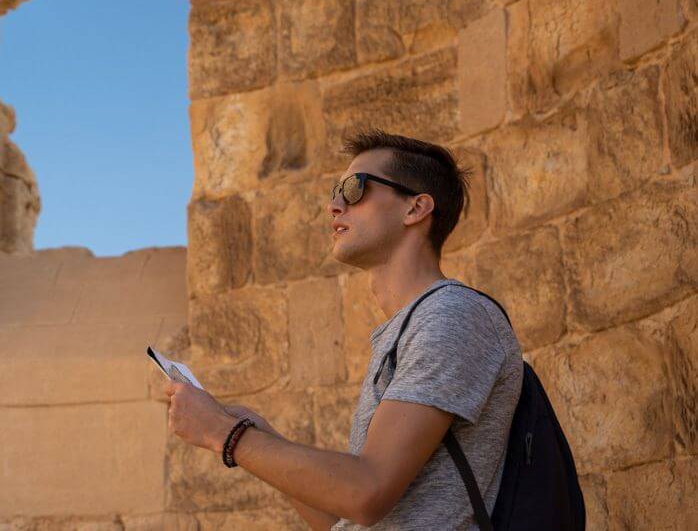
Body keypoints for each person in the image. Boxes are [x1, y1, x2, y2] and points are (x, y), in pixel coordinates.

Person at [164, 128, 524, 530]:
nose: (334, 205)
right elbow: (349, 518)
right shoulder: (408, 327)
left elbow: (366, 492)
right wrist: (258, 437)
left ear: (416, 209)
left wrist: (225, 434)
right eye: (336, 190)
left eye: (355, 188)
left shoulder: (452, 315)